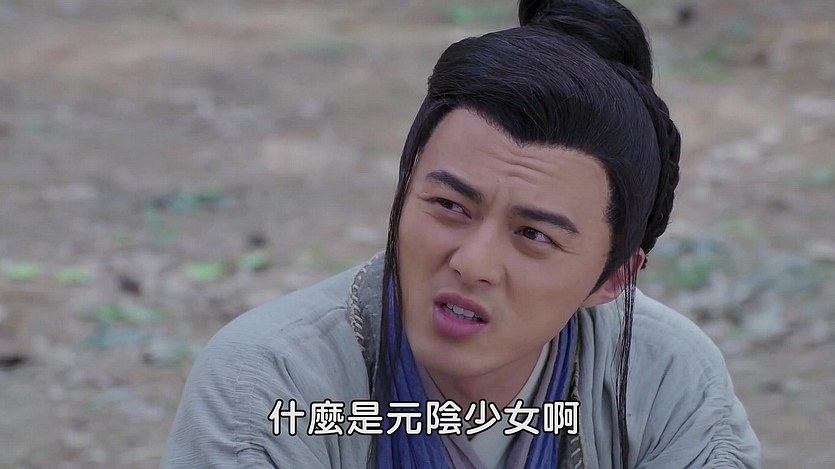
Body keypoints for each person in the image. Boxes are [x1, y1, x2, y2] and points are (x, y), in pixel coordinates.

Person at [161, 0, 761, 467]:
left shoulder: (665, 382)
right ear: (401, 197)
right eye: (450, 205)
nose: (472, 262)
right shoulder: (272, 388)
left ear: (613, 278)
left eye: (534, 235)